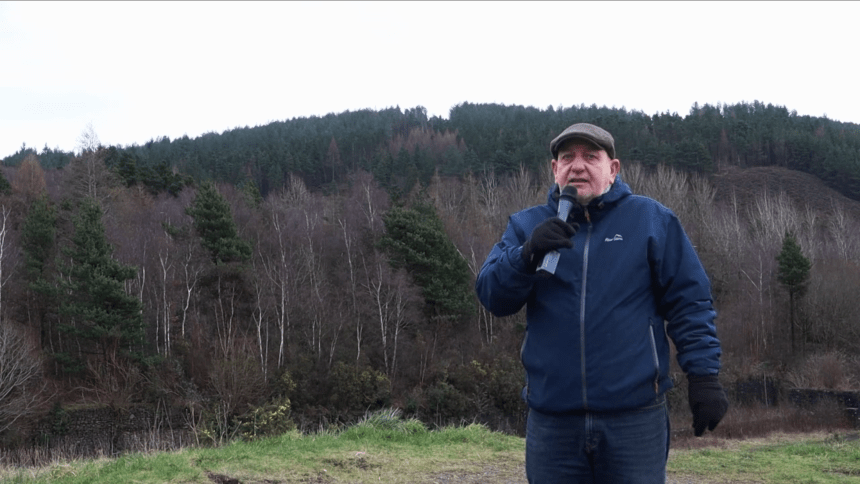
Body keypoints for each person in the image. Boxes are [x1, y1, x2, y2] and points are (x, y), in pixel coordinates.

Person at [475, 123, 728, 483]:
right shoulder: (527, 225)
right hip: (553, 421)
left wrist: (704, 377)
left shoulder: (651, 221)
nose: (577, 166)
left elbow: (690, 303)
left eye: (590, 156)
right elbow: (491, 296)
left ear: (613, 168)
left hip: (634, 419)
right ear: (554, 169)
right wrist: (526, 255)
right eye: (567, 158)